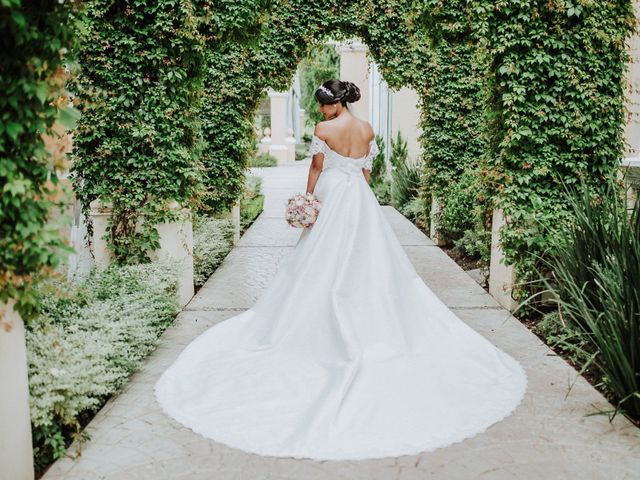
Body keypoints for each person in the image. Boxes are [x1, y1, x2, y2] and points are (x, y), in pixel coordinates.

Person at [154, 79, 528, 461]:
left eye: (323, 106)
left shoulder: (324, 130)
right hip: (359, 198)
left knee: (318, 258)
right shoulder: (367, 129)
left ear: (335, 104)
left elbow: (316, 167)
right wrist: (356, 192)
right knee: (369, 257)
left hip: (333, 193)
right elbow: (367, 173)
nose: (321, 113)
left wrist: (308, 200)